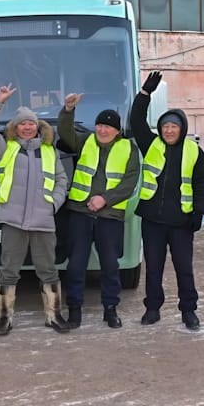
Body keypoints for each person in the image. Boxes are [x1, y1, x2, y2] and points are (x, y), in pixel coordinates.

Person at [0, 83, 70, 335]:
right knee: (9, 271)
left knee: (48, 270)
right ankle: (4, 318)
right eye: (22, 124)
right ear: (15, 128)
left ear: (38, 127)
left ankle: (54, 315)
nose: (27, 127)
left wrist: (53, 204)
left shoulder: (49, 152)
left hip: (43, 221)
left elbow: (62, 180)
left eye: (31, 123)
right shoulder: (5, 148)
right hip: (13, 221)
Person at [131, 71, 204, 330]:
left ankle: (189, 311)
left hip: (181, 221)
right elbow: (136, 120)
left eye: (174, 126)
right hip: (153, 220)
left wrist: (198, 213)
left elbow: (202, 184)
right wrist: (145, 94)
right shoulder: (151, 144)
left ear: (182, 128)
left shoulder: (194, 151)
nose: (169, 130)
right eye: (165, 126)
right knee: (153, 268)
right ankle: (152, 309)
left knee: (184, 269)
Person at [58, 94, 139, 328]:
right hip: (80, 212)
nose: (102, 130)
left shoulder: (128, 148)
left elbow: (129, 182)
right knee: (76, 265)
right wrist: (68, 110)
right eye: (99, 125)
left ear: (117, 131)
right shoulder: (85, 141)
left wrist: (105, 199)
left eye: (107, 127)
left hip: (109, 216)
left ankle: (110, 309)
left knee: (110, 266)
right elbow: (65, 133)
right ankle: (74, 310)